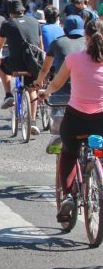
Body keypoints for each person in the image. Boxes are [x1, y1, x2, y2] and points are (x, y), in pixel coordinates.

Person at [39, 19, 103, 222]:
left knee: (68, 153)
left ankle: (68, 195)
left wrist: (45, 92)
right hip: (101, 120)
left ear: (86, 38)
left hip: (76, 119)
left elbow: (57, 83)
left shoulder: (74, 58)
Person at [0, 0, 43, 136]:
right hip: (33, 64)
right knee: (32, 89)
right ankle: (33, 122)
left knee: (2, 64)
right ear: (23, 10)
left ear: (10, 13)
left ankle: (8, 95)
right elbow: (40, 45)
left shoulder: (7, 24)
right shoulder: (35, 22)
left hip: (15, 64)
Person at [36, 15, 87, 94]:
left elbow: (45, 69)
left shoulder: (57, 43)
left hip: (61, 93)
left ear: (64, 29)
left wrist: (38, 81)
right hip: (85, 92)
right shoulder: (90, 43)